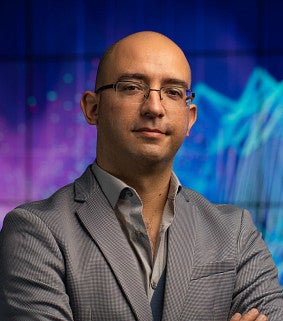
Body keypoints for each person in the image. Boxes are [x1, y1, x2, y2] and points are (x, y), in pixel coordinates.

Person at [0, 31, 282, 321]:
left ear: (190, 118)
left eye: (173, 92)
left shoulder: (235, 232)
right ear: (92, 108)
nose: (154, 108)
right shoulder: (35, 232)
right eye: (133, 87)